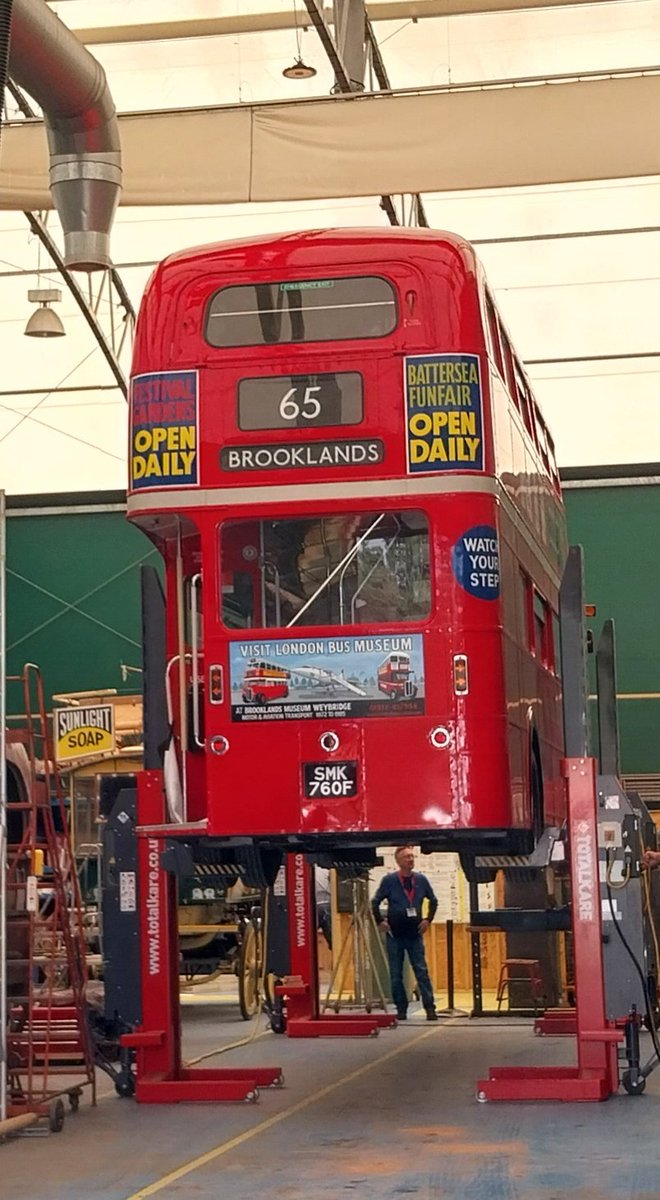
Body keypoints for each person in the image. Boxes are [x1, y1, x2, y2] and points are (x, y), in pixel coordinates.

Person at [371, 845, 438, 1021]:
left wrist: (428, 919)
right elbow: (375, 902)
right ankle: (401, 1008)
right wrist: (380, 921)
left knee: (421, 971)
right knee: (396, 974)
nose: (410, 859)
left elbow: (434, 901)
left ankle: (430, 1008)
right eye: (407, 857)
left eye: (412, 856)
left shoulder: (421, 880)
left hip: (415, 934)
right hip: (395, 935)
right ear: (398, 861)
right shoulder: (390, 881)